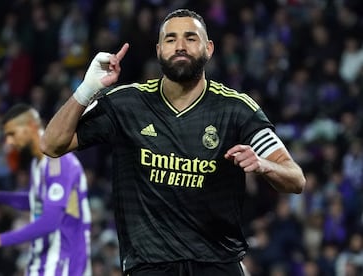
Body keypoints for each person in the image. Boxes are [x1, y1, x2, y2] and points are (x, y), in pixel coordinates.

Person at [41, 8, 306, 276]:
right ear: (158, 50)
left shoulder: (236, 110)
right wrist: (86, 89)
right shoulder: (127, 104)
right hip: (149, 266)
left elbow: (296, 179)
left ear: (209, 48)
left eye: (191, 38)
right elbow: (51, 144)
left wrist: (263, 164)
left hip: (217, 265)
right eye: (171, 39)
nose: (180, 46)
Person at [0, 103, 92, 276]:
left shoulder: (59, 161)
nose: (9, 142)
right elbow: (36, 200)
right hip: (43, 260)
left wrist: (2, 239)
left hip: (62, 263)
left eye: (12, 134)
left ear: (31, 126)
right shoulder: (37, 164)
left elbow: (51, 221)